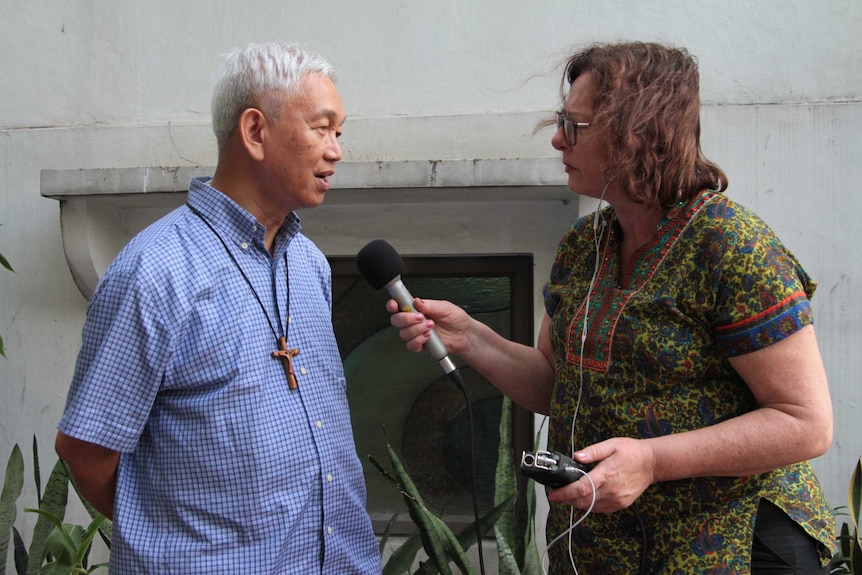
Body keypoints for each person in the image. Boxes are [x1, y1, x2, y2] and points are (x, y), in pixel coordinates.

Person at [388, 42, 835, 574]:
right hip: (607, 552)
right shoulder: (585, 246)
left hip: (730, 549)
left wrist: (652, 460)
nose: (557, 139)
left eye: (575, 126)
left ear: (638, 134)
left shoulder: (732, 248)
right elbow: (556, 385)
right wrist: (472, 339)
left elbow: (805, 423)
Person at [55, 42, 381, 574]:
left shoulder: (310, 264)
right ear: (255, 132)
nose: (336, 150)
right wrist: (182, 543)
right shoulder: (155, 271)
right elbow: (86, 450)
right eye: (322, 128)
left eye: (339, 133)